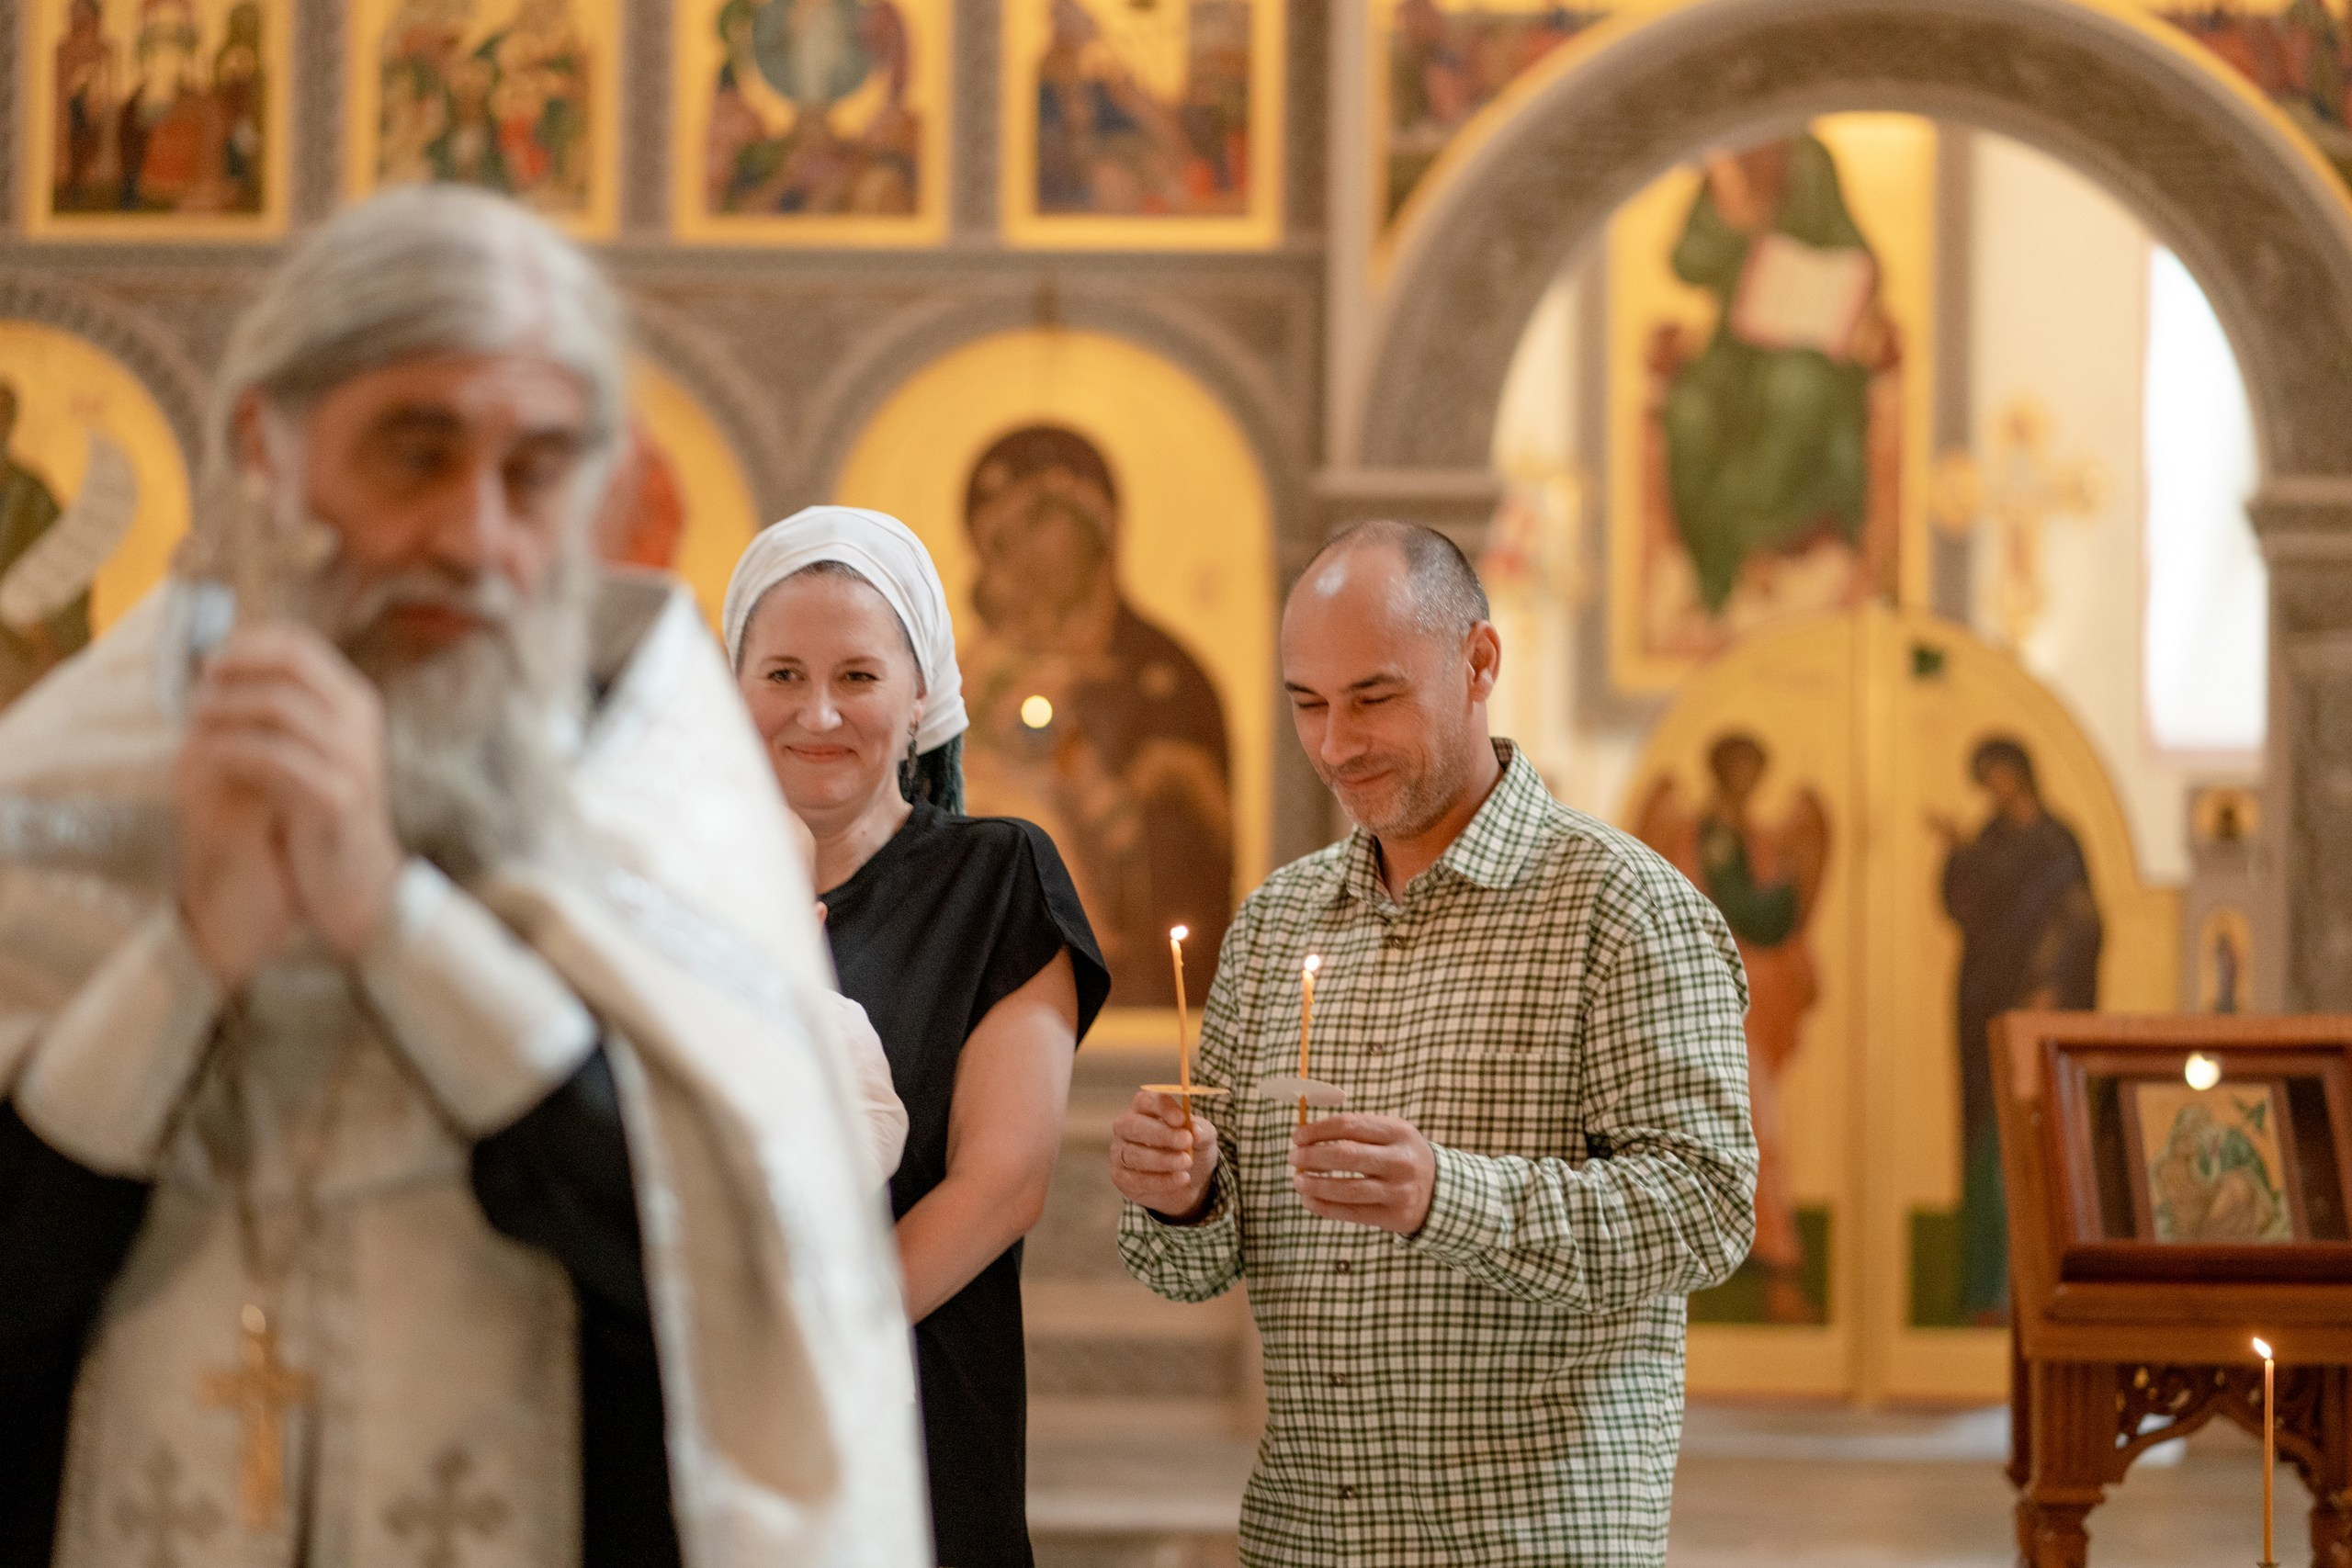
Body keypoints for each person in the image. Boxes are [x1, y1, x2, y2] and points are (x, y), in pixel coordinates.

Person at [0, 186, 926, 1568]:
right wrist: (189, 952)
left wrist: (395, 920)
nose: (475, 536)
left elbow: (742, 1311)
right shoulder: (78, 789)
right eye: (414, 454)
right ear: (266, 444)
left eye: (535, 471)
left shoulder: (662, 809)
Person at [1108, 520, 1758, 1567]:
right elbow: (1193, 1267)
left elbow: (1707, 1212)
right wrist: (1179, 1194)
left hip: (1529, 1542)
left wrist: (1445, 1197)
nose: (1336, 745)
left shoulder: (1624, 908)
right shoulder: (1276, 925)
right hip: (1307, 1538)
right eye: (1308, 705)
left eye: (1374, 698)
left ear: (1479, 662)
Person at [724, 506, 1111, 1568]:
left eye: (857, 676)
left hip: (914, 1428)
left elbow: (1001, 1186)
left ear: (920, 696)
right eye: (782, 674)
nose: (817, 712)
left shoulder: (997, 879)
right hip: (699, 1430)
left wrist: (790, 1350)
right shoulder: (666, 895)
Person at [1635, 730, 1826, 1324]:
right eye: (1738, 768)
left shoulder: (1751, 838)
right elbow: (1748, 909)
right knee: (1733, 1130)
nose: (1747, 780)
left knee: (1756, 1131)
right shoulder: (1711, 837)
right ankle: (1759, 1275)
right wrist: (1786, 892)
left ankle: (1772, 1274)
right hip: (1711, 1001)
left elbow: (1774, 916)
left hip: (1750, 1003)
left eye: (1754, 769)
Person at [1932, 734, 2101, 1324]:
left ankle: (2042, 1283)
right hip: (1985, 1002)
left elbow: (2081, 921)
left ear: (2021, 772)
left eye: (2000, 773)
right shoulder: (1988, 840)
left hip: (2042, 1003)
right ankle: (1988, 1291)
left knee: (2040, 1134)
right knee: (1987, 1136)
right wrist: (1956, 854)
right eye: (1986, 777)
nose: (1994, 786)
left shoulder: (2057, 842)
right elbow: (1964, 906)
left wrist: (2053, 982)